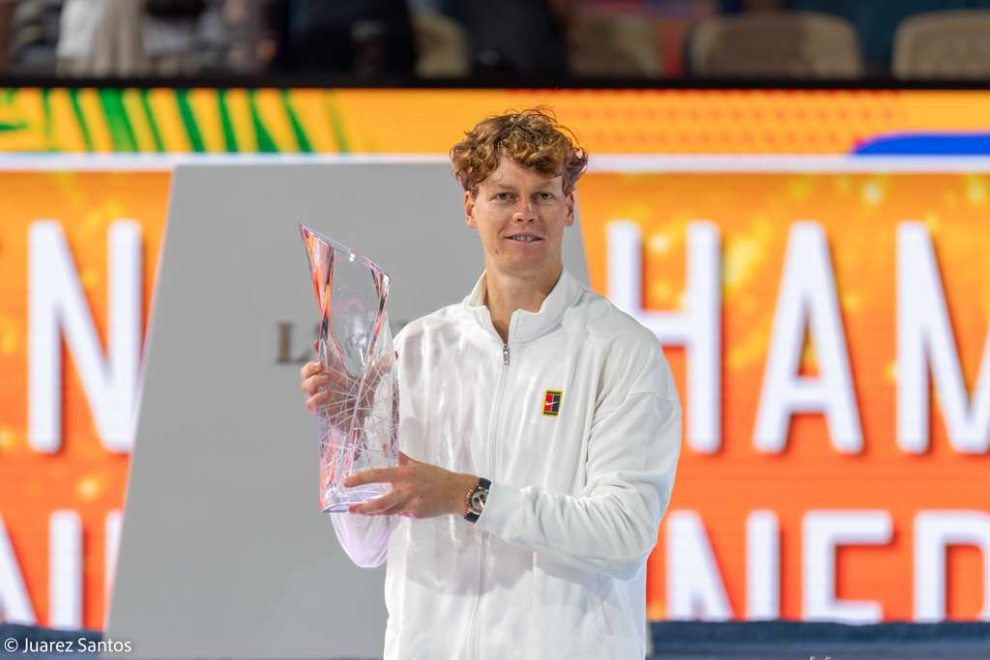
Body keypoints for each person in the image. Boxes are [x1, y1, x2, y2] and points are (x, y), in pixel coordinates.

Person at [299, 108, 681, 659]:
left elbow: (623, 534)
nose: (525, 213)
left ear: (569, 208)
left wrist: (466, 495)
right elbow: (367, 547)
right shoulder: (419, 347)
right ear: (470, 207)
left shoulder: (621, 350)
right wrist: (356, 437)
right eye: (503, 195)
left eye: (543, 195)